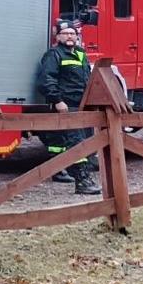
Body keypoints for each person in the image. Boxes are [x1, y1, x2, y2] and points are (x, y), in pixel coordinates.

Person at [34, 21, 101, 195]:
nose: (70, 36)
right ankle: (83, 181)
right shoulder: (54, 55)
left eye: (73, 33)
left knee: (60, 141)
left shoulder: (80, 54)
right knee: (76, 143)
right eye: (66, 33)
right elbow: (46, 80)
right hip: (65, 105)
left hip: (81, 105)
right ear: (58, 37)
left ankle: (58, 171)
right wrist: (57, 101)